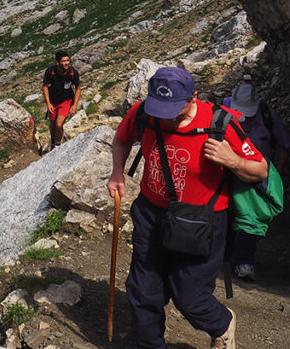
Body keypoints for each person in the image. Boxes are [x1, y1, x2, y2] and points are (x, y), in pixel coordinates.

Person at [107, 67, 267, 349]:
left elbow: (261, 170)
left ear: (193, 97)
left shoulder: (219, 123)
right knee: (144, 290)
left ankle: (222, 325)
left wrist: (234, 161)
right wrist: (117, 172)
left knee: (190, 296)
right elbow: (122, 139)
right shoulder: (144, 112)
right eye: (160, 107)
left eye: (174, 109)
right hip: (151, 214)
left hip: (201, 222)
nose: (166, 115)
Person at [222, 74, 290, 281]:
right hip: (226, 172)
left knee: (252, 217)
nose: (245, 118)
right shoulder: (222, 109)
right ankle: (224, 256)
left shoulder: (266, 114)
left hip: (255, 174)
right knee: (227, 212)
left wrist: (271, 173)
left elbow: (283, 145)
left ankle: (244, 261)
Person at [42, 50, 81, 149]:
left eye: (68, 60)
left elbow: (78, 88)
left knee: (59, 124)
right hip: (53, 101)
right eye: (64, 61)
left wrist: (75, 105)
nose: (67, 63)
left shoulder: (72, 72)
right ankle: (53, 141)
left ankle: (57, 146)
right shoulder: (50, 72)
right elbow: (45, 87)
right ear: (57, 62)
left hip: (66, 100)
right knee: (53, 124)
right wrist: (48, 103)